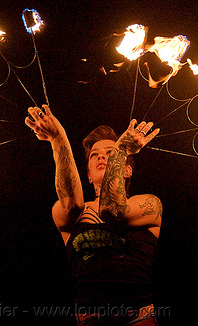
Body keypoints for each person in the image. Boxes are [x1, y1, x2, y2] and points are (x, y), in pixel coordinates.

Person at [25, 105, 162, 325]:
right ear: (87, 175)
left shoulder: (149, 204)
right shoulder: (67, 211)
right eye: (95, 156)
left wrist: (122, 149)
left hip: (137, 319)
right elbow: (71, 204)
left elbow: (113, 209)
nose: (102, 157)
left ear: (127, 170)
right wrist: (58, 138)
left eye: (110, 153)